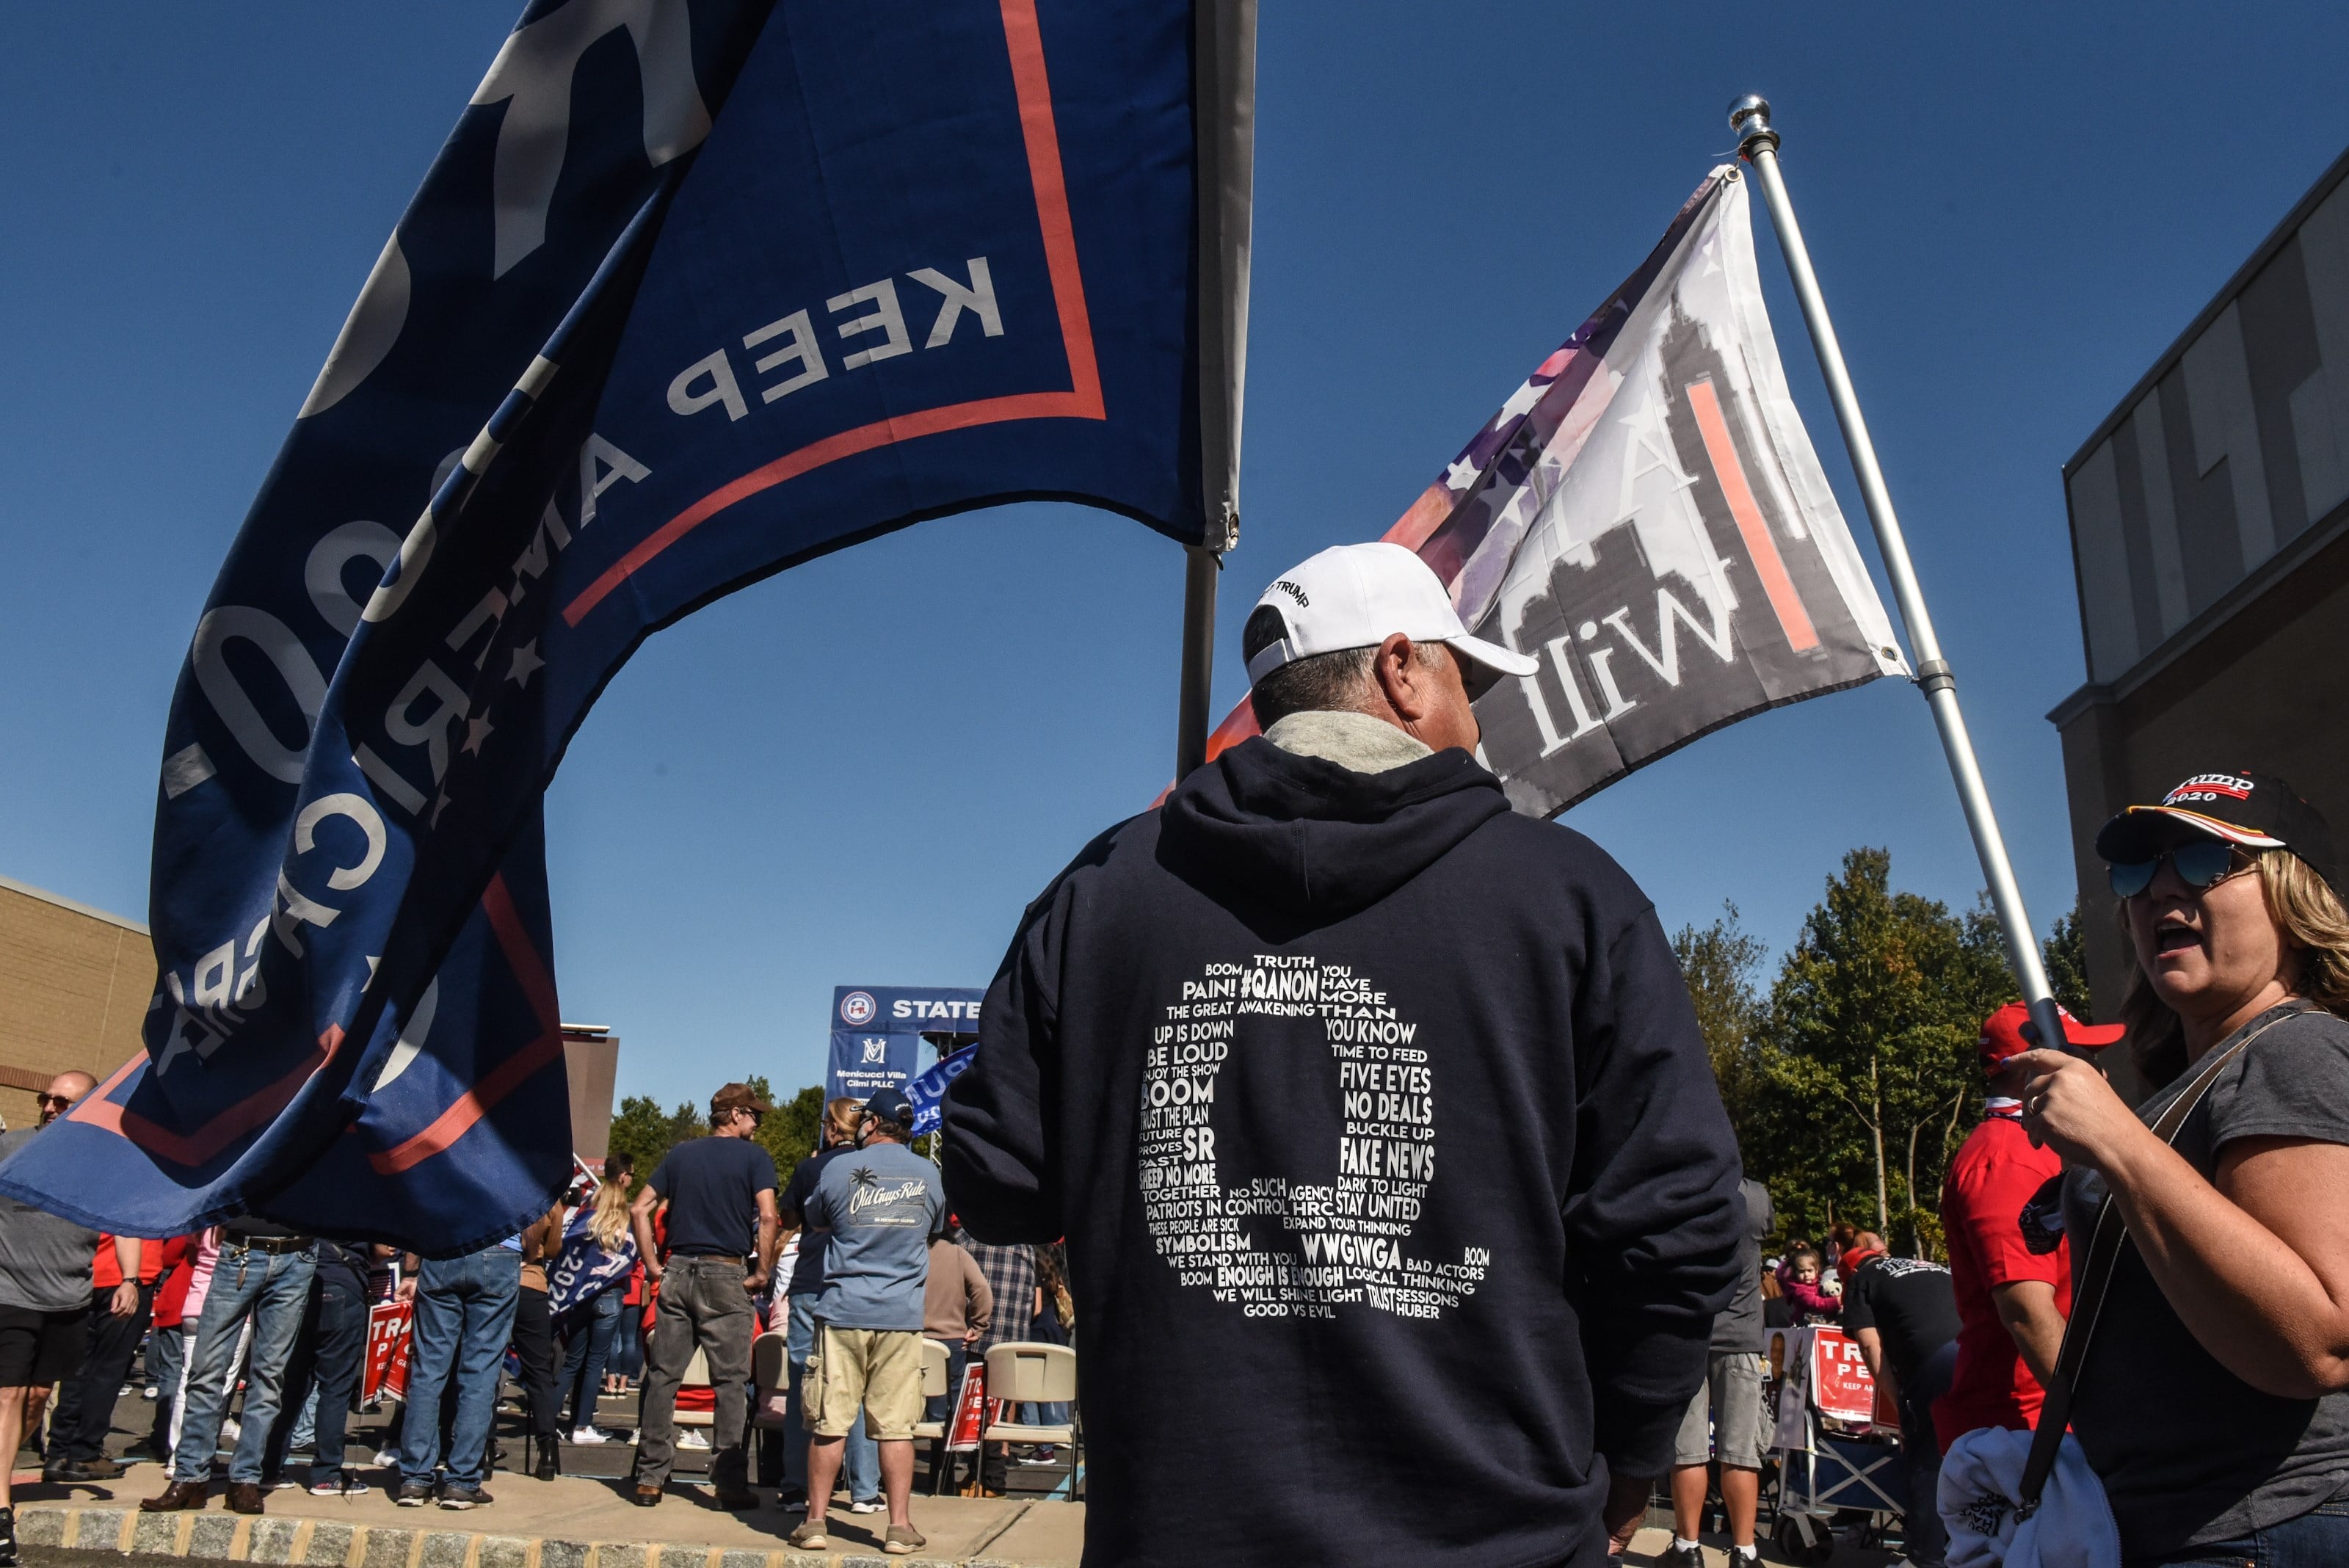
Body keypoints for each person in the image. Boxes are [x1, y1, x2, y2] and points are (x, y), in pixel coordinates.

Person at [941, 542, 1745, 1568]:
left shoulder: (1101, 893)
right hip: (1500, 1531)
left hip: (1180, 1528)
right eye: (1470, 680)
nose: (1479, 718)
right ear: (1403, 669)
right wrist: (1630, 1450)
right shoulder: (1570, 897)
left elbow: (999, 1181)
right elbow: (1678, 1220)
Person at [2016, 770, 2349, 1561]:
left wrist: (2119, 1146)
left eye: (2203, 862)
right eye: (2137, 870)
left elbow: (2316, 1343)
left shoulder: (2292, 1049)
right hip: (2174, 1529)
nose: (2158, 888)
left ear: (2288, 893)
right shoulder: (2191, 1082)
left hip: (2260, 1530)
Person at [1933, 1002, 2110, 1451]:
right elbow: (2026, 1311)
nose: (2101, 1072)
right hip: (2028, 1433)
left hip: (2044, 1423)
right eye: (2083, 1057)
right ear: (2033, 1063)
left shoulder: (2033, 1147)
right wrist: (2104, 1416)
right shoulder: (2007, 1158)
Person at [786, 1089, 943, 1559]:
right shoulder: (930, 1174)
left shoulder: (836, 1169)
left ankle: (815, 1522)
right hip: (900, 1317)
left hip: (843, 1311)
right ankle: (899, 1527)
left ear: (871, 1123)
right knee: (897, 1427)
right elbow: (935, 1231)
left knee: (830, 1421)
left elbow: (814, 1221)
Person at [0, 1072, 135, 1558]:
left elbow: (122, 1218)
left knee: (36, 1397)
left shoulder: (100, 1162)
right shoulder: (10, 1147)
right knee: (9, 1393)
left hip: (68, 1294)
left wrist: (130, 1278)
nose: (51, 1106)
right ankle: (0, 1511)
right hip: (9, 1289)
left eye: (63, 1100)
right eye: (46, 1098)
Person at [628, 1082, 778, 1510]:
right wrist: (762, 1271)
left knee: (663, 1377)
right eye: (754, 1115)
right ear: (734, 1115)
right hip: (726, 1272)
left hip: (677, 1270)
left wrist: (654, 1265)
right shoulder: (755, 1158)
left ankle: (651, 1478)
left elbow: (639, 1208)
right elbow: (768, 1216)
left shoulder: (680, 1154)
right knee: (730, 1382)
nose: (758, 1123)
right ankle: (729, 1483)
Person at [142, 1210, 317, 1516]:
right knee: (206, 1371)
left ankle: (245, 1479)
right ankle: (190, 1477)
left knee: (268, 1377)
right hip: (241, 1248)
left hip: (297, 1253)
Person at [776, 1098, 880, 1512]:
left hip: (810, 1281)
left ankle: (797, 1486)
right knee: (856, 1386)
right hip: (855, 1284)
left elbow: (787, 1221)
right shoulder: (873, 1171)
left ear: (833, 1129)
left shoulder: (809, 1169)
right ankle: (865, 1490)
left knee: (805, 1383)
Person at [1666, 1177, 1772, 1568]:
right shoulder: (1756, 1196)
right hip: (1743, 1335)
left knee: (1688, 1450)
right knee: (1740, 1452)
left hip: (1690, 1331)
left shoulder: (1682, 1189)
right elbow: (1764, 1230)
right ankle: (1745, 1553)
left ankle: (1687, 1547)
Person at [1837, 1235, 1958, 1568]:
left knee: (1927, 1461)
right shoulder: (1932, 1266)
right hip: (1978, 1352)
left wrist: (1900, 1407)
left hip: (1933, 1359)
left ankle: (1926, 1559)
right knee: (1975, 1452)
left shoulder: (1862, 1279)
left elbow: (1870, 1347)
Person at [393, 1238, 522, 1509]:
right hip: (499, 1252)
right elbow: (533, 1214)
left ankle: (415, 1479)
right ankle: (461, 1481)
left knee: (428, 1369)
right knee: (481, 1371)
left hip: (442, 1249)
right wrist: (526, 1250)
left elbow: (421, 1216)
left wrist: (411, 1271)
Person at [257, 1240, 373, 1496]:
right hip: (344, 1283)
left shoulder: (306, 1199)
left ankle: (269, 1468)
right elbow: (385, 1249)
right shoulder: (368, 1201)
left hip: (302, 1282)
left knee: (292, 1385)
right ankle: (327, 1473)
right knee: (336, 1386)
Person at [46, 1229, 161, 1483]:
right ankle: (84, 1453)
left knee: (76, 1370)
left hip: (83, 1273)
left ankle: (59, 1452)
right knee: (107, 1370)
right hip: (127, 1277)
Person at [552, 1155, 639, 1444]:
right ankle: (582, 1426)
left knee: (572, 1361)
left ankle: (548, 1420)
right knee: (595, 1363)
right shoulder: (625, 1223)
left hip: (579, 1295)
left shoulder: (586, 1219)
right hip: (610, 1296)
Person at [508, 1205, 566, 1480]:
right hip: (532, 1282)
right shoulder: (549, 1201)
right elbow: (554, 1249)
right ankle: (548, 1451)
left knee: (487, 1367)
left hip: (499, 1280)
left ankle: (484, 1447)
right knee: (540, 1371)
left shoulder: (500, 1187)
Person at [921, 1224, 991, 1428]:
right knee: (953, 1406)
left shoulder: (914, 1252)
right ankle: (948, 1454)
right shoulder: (958, 1254)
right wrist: (979, 1326)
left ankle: (936, 1452)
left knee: (928, 1408)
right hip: (953, 1340)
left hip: (916, 1339)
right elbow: (982, 1289)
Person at [1776, 1244, 1839, 1324]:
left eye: (1810, 1271)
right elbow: (1816, 1303)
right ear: (1795, 1273)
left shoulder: (1820, 1282)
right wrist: (1837, 1301)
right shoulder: (1799, 1289)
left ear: (1816, 1271)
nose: (1806, 1275)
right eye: (1801, 1271)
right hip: (1805, 1323)